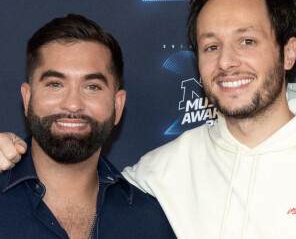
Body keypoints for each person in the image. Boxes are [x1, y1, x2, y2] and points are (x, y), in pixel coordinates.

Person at [0, 0, 296, 239]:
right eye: (211, 46)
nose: (226, 61)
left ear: (288, 52)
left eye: (247, 41)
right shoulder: (157, 174)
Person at [0, 14, 175, 238]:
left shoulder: (147, 219)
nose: (73, 104)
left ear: (117, 106)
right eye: (55, 84)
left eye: (92, 86)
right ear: (27, 99)